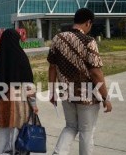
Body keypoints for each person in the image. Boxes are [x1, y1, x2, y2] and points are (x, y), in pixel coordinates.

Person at [48, 8, 112, 155]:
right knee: (86, 131)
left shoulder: (57, 39)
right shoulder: (89, 41)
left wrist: (52, 92)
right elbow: (96, 72)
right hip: (86, 96)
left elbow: (52, 67)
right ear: (88, 22)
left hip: (66, 93)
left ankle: (58, 153)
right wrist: (105, 97)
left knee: (70, 126)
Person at [0, 28, 38, 155]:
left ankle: (1, 152)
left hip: (3, 98)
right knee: (18, 128)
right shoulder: (21, 57)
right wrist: (33, 104)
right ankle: (16, 151)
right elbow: (29, 83)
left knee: (4, 129)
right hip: (18, 99)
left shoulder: (1, 57)